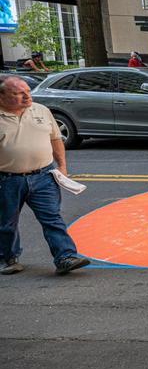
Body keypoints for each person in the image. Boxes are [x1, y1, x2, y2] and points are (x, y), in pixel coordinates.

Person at [0, 75, 91, 275]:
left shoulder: (41, 110)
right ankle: (8, 257)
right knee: (7, 222)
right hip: (7, 180)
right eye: (18, 94)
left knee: (52, 218)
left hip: (44, 176)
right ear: (2, 97)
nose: (26, 97)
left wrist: (62, 167)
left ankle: (65, 257)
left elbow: (56, 139)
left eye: (27, 92)